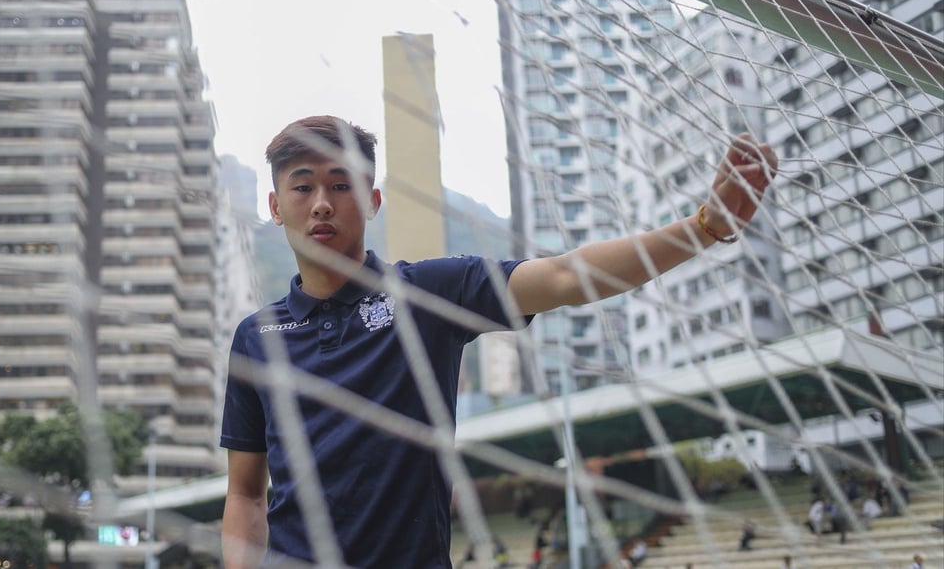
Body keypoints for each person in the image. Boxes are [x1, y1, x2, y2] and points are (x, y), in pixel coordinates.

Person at [219, 115, 778, 568]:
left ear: (372, 202)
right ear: (274, 206)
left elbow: (563, 277)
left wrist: (704, 227)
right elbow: (246, 493)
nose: (321, 202)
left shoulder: (425, 294)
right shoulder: (256, 338)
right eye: (303, 186)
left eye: (341, 185)